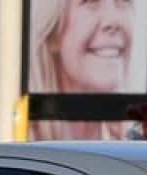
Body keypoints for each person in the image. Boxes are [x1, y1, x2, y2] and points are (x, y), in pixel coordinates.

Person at [29, 0, 137, 140]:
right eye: (91, 2)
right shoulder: (20, 143)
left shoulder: (136, 141)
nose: (112, 20)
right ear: (53, 35)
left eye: (124, 0)